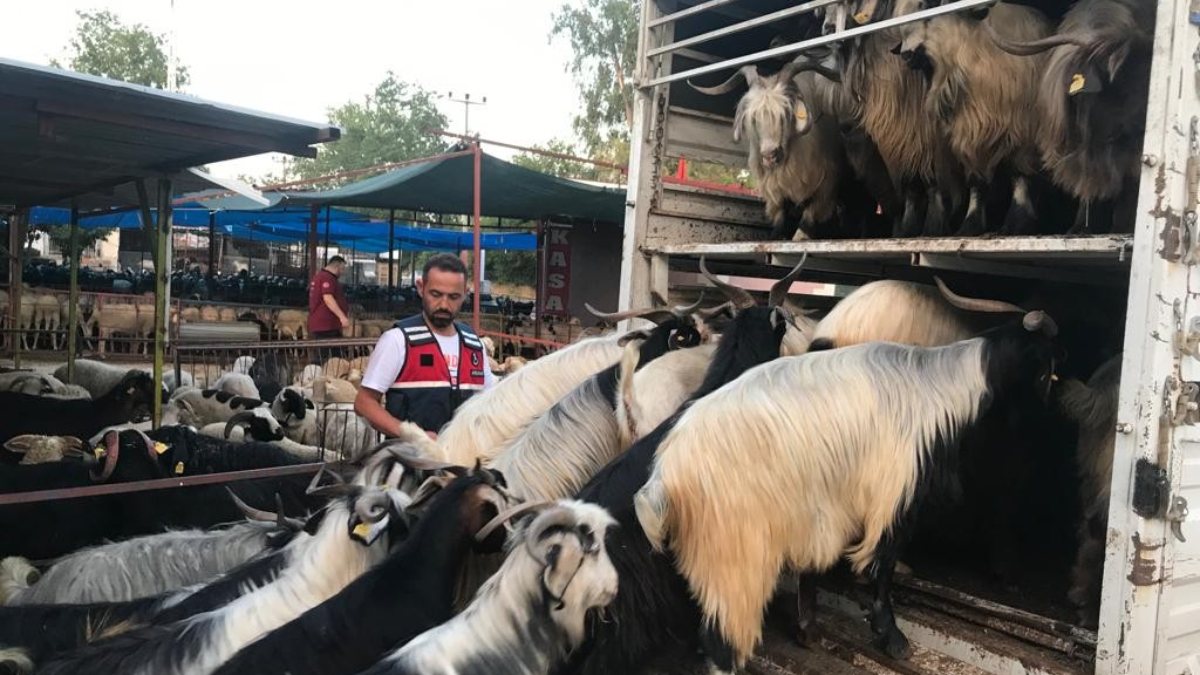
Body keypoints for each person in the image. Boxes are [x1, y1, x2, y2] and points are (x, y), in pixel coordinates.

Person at [355, 253, 497, 439]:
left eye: (454, 297)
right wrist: (412, 435)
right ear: (421, 288)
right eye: (436, 294)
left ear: (465, 293)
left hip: (462, 462)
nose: (444, 305)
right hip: (409, 461)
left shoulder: (473, 345)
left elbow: (490, 401)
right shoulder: (398, 340)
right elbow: (364, 403)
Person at [308, 255, 351, 339]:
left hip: (328, 325)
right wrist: (342, 317)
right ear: (336, 266)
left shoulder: (322, 276)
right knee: (329, 350)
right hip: (326, 326)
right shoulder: (327, 277)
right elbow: (328, 298)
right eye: (342, 269)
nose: (342, 272)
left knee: (333, 350)